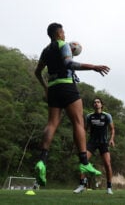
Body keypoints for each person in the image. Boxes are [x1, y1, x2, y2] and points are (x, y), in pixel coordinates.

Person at [34, 23, 110, 186]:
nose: (65, 34)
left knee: (52, 123)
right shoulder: (64, 46)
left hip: (53, 87)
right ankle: (84, 162)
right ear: (59, 33)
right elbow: (69, 64)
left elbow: (37, 72)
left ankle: (42, 161)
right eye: (63, 32)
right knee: (78, 123)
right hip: (67, 86)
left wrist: (46, 88)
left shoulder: (45, 50)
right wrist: (93, 67)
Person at [73, 97, 115, 194]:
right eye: (95, 102)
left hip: (103, 143)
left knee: (108, 164)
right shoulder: (89, 117)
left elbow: (112, 129)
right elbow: (84, 130)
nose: (96, 103)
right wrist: (80, 142)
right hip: (92, 142)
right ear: (93, 105)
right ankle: (81, 185)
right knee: (84, 162)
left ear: (101, 105)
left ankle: (109, 187)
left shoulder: (107, 116)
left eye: (98, 102)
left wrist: (112, 139)